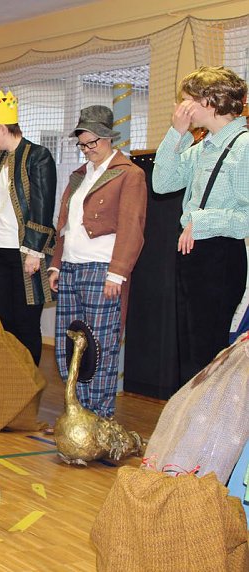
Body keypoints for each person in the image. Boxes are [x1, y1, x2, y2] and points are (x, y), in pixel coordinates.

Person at [47, 106, 147, 418]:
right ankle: (76, 412)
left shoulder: (130, 174)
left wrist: (117, 274)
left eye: (93, 143)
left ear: (108, 138)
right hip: (71, 268)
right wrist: (56, 264)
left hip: (101, 269)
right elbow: (66, 224)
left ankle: (99, 416)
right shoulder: (79, 176)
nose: (88, 149)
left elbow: (132, 228)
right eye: (83, 144)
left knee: (100, 346)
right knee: (70, 344)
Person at [152, 66, 249, 384]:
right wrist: (176, 133)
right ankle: (190, 412)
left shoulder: (244, 146)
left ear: (209, 101)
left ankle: (207, 414)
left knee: (207, 351)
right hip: (194, 255)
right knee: (191, 351)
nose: (181, 107)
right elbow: (162, 183)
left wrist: (203, 221)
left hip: (220, 255)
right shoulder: (204, 146)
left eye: (187, 100)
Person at [0, 90, 57, 365]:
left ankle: (29, 380)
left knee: (26, 324)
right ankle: (11, 379)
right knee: (4, 322)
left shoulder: (38, 156)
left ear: (1, 128)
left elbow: (42, 205)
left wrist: (34, 252)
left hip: (26, 254)